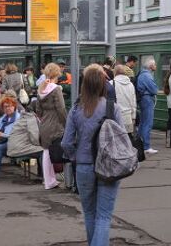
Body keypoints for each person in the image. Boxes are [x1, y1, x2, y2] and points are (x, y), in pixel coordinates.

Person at [61, 64, 123, 246]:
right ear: (103, 84)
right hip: (109, 167)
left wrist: (75, 157)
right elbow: (121, 141)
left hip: (84, 166)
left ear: (84, 85)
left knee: (89, 213)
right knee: (104, 216)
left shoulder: (76, 109)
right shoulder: (113, 108)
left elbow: (66, 142)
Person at [35, 63, 68, 190]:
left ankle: (49, 180)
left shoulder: (41, 88)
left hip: (44, 123)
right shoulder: (56, 89)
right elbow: (61, 109)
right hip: (55, 122)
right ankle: (51, 181)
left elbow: (38, 109)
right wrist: (66, 123)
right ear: (57, 73)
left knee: (46, 151)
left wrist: (44, 118)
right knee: (54, 150)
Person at [137, 57, 158, 154]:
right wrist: (155, 88)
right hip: (147, 99)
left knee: (142, 122)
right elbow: (154, 90)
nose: (155, 66)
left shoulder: (142, 74)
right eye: (154, 65)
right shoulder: (147, 76)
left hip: (143, 99)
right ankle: (146, 146)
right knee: (148, 123)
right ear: (150, 66)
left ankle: (139, 144)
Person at [113, 65, 137, 134]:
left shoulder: (111, 83)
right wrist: (133, 117)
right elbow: (133, 103)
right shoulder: (131, 85)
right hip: (128, 118)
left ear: (115, 72)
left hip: (116, 117)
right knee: (126, 139)